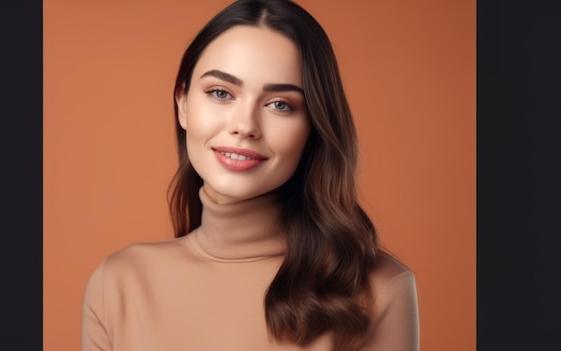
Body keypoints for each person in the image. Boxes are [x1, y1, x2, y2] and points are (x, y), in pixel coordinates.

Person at [81, 0, 419, 350]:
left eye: (280, 104)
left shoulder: (378, 290)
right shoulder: (118, 284)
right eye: (221, 93)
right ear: (183, 104)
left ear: (313, 128)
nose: (244, 127)